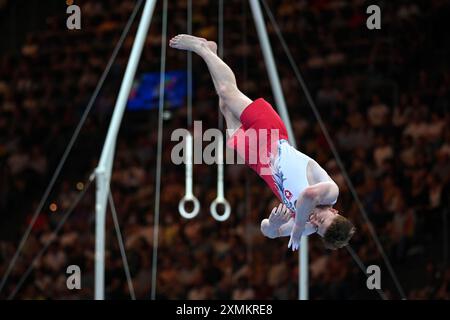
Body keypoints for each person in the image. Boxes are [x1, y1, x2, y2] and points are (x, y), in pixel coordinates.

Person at [169, 34, 355, 251]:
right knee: (227, 92)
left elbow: (269, 232)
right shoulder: (330, 193)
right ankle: (202, 48)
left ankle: (211, 52)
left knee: (224, 107)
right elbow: (307, 195)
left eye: (317, 227)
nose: (314, 222)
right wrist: (296, 229)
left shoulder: (307, 227)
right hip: (272, 135)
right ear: (334, 211)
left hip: (258, 159)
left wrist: (273, 225)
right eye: (321, 220)